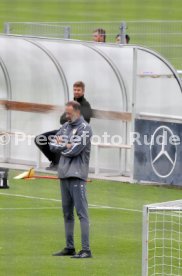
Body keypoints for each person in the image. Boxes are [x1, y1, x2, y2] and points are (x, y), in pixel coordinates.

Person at [50, 101, 92, 258]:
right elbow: (53, 144)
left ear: (77, 112)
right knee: (67, 214)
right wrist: (66, 145)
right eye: (66, 113)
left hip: (77, 175)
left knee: (82, 213)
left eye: (68, 113)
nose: (66, 116)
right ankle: (70, 247)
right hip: (63, 175)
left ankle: (86, 250)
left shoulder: (85, 129)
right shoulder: (65, 127)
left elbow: (75, 150)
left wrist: (65, 145)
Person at [34, 81, 92, 170]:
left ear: (83, 91)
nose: (76, 92)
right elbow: (61, 120)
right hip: (64, 129)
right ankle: (55, 161)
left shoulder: (85, 105)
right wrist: (70, 118)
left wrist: (70, 121)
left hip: (76, 133)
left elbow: (85, 121)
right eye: (75, 90)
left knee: (63, 141)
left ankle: (60, 164)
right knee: (40, 138)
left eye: (78, 90)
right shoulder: (71, 104)